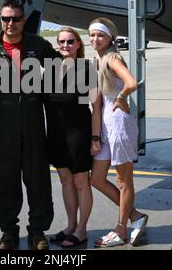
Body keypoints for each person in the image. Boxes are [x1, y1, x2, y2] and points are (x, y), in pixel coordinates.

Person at [0, 0, 59, 250]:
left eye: (15, 18)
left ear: (23, 20)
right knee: (4, 177)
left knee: (37, 175)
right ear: (1, 20)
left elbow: (63, 67)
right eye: (5, 19)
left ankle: (37, 231)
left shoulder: (38, 44)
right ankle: (9, 232)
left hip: (33, 117)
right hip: (3, 119)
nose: (10, 23)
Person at [88, 17, 148, 247]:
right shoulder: (99, 58)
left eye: (100, 35)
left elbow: (132, 82)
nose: (95, 39)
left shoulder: (112, 58)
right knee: (97, 178)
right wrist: (95, 135)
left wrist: (122, 97)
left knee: (124, 181)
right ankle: (135, 217)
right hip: (105, 123)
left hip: (119, 121)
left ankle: (121, 229)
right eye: (92, 35)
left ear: (110, 37)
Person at [45, 27, 96, 247]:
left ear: (78, 45)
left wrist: (95, 138)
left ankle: (82, 230)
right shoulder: (50, 70)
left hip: (79, 134)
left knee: (81, 182)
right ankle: (70, 225)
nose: (65, 45)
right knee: (66, 181)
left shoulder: (86, 69)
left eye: (70, 41)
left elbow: (97, 105)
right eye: (61, 42)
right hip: (56, 134)